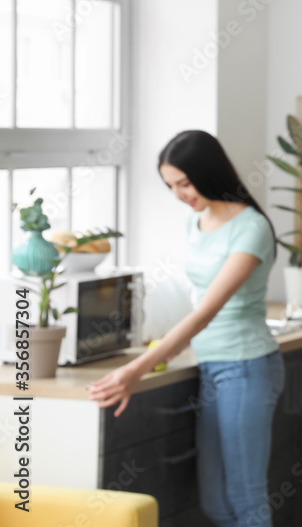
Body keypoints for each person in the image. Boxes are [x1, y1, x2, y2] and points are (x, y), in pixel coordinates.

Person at [88, 130, 285, 527]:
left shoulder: (251, 229)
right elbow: (194, 297)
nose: (179, 193)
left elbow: (207, 312)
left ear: (207, 172)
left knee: (245, 500)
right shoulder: (197, 223)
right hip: (211, 365)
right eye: (170, 186)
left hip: (246, 367)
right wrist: (161, 343)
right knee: (215, 504)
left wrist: (135, 369)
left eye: (184, 182)